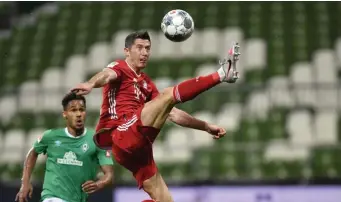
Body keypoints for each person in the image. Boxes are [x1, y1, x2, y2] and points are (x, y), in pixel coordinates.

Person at [71, 30, 240, 202]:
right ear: (127, 51)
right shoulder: (119, 67)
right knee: (167, 95)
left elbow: (173, 114)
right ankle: (221, 74)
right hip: (120, 134)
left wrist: (205, 126)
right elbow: (106, 75)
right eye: (139, 47)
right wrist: (90, 83)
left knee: (165, 200)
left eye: (148, 48)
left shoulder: (147, 84)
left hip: (139, 147)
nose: (144, 52)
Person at [15, 92, 114, 202]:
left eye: (82, 110)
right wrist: (25, 182)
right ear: (65, 114)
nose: (78, 114)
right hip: (52, 197)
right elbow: (33, 153)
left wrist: (99, 184)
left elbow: (109, 175)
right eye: (73, 110)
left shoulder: (97, 140)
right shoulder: (50, 136)